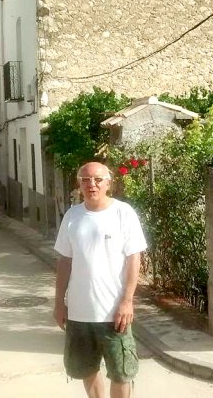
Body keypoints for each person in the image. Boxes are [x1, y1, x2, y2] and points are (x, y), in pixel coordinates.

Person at [54, 161, 148, 398]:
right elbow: (65, 262)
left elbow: (133, 259)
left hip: (114, 312)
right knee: (87, 368)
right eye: (85, 180)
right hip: (79, 313)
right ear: (79, 184)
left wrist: (127, 301)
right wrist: (58, 303)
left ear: (108, 183)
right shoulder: (72, 217)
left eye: (97, 179)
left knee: (122, 371)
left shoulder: (122, 213)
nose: (91, 184)